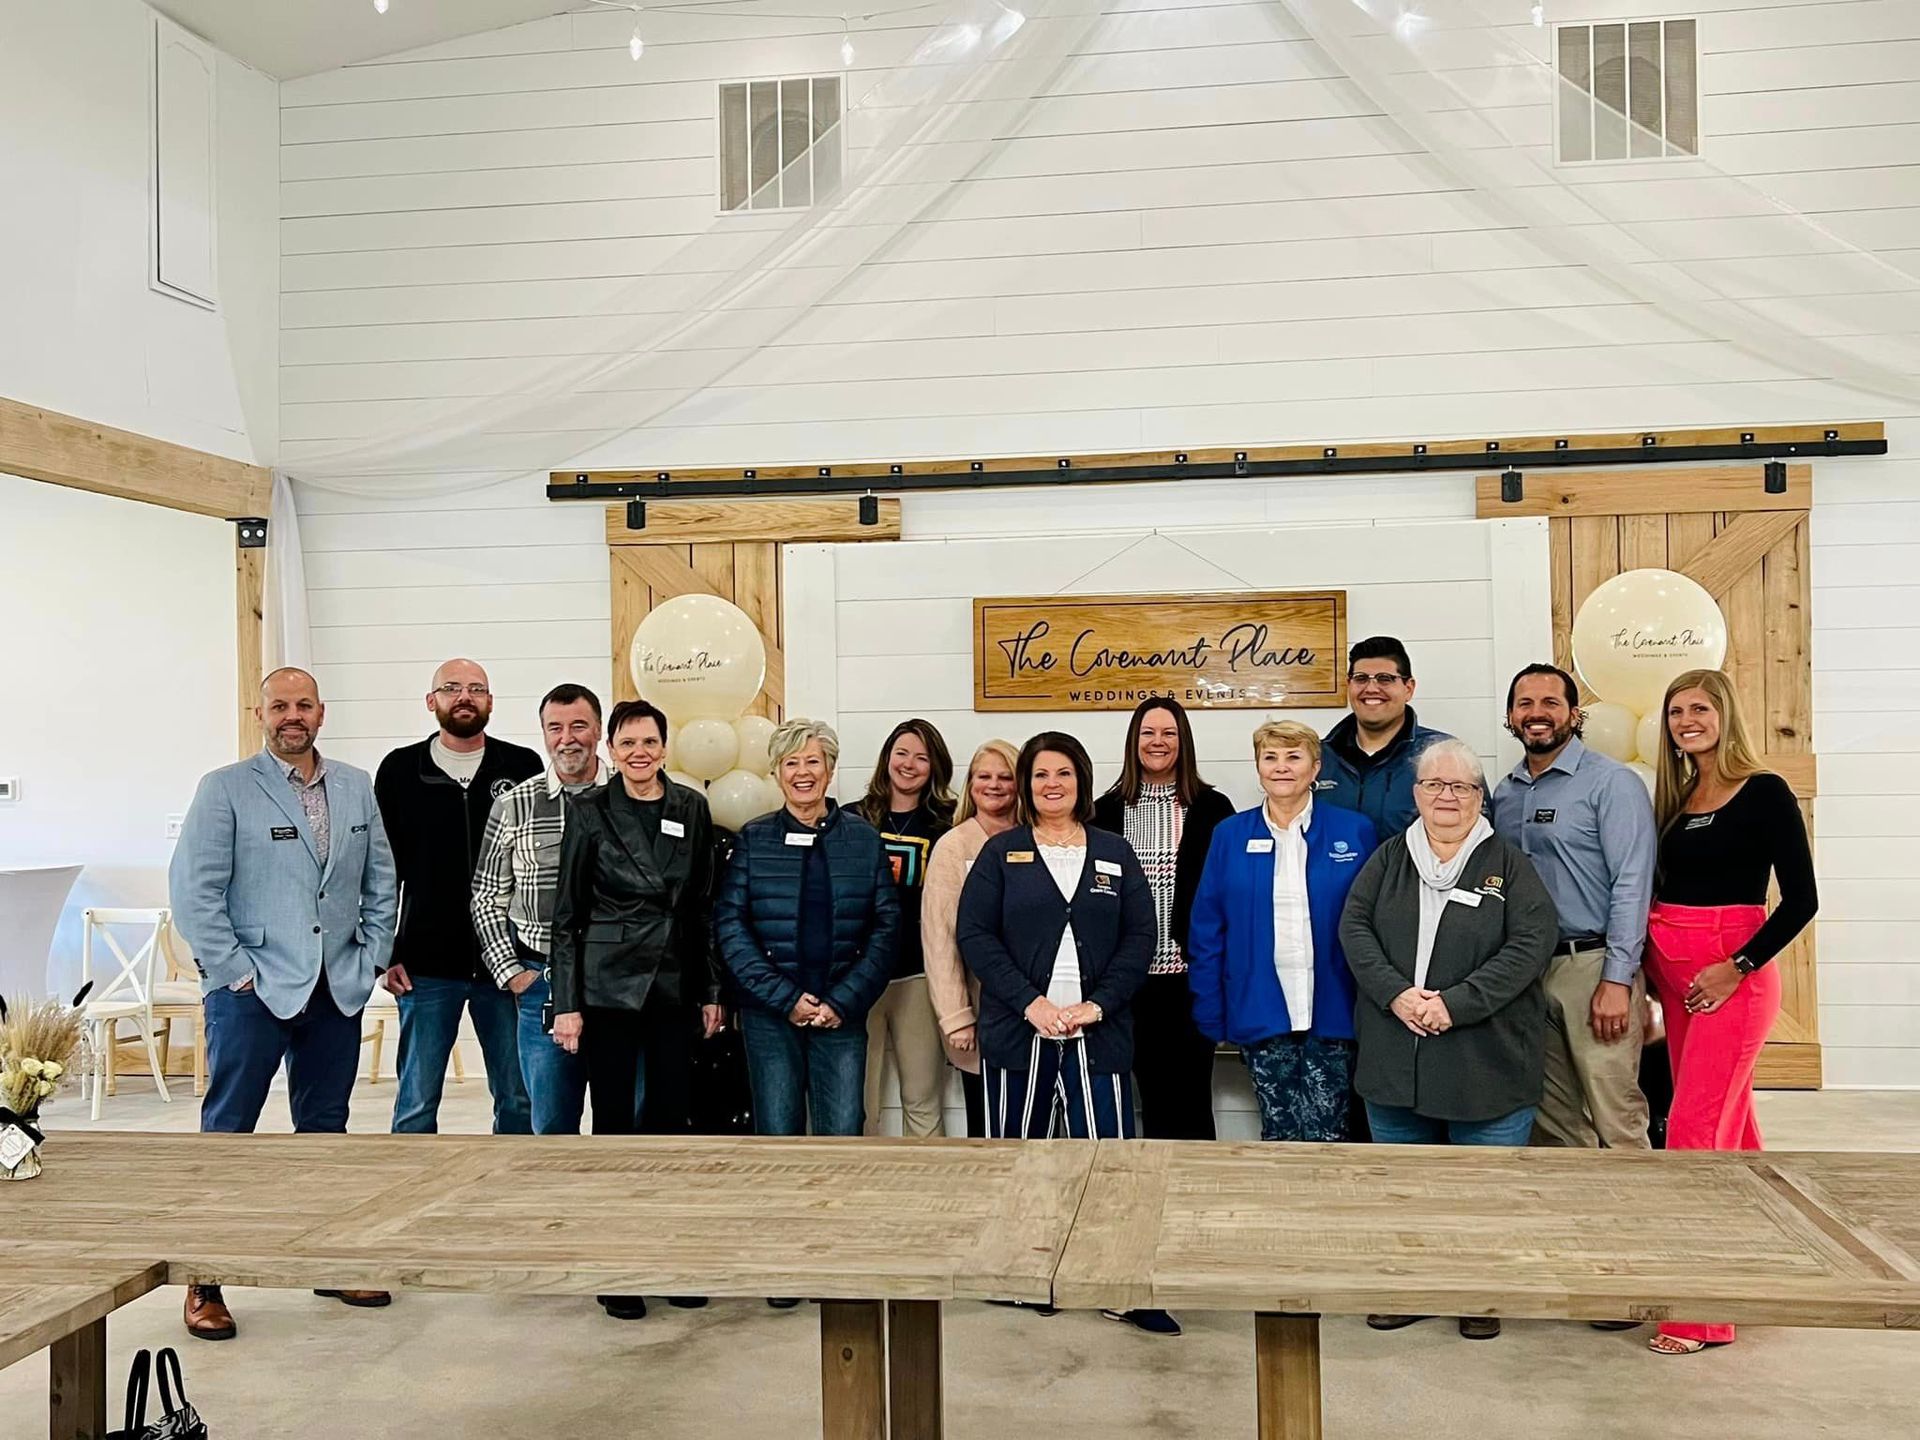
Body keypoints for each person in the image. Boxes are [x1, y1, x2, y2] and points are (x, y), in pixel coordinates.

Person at [169, 666, 399, 1339]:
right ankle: (204, 1280)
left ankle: (328, 1261)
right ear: (260, 714)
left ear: (321, 713)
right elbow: (194, 891)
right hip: (252, 990)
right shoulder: (225, 788)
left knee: (326, 1131)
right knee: (229, 1133)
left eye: (303, 705)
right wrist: (235, 972)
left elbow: (382, 879)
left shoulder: (355, 785)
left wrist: (372, 955)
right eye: (279, 706)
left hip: (336, 987)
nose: (291, 716)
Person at [1339, 738, 1558, 1341]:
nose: (1447, 797)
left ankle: (1479, 1294)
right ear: (1416, 794)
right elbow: (1354, 928)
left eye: (1461, 786)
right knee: (1405, 1191)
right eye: (1435, 784)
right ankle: (1411, 1286)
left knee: (1482, 1194)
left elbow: (1530, 946)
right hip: (1396, 1058)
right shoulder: (1388, 859)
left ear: (1479, 797)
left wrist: (1455, 1005)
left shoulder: (1509, 865)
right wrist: (1396, 994)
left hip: (1484, 1064)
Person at [958, 733, 1164, 1335]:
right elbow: (975, 936)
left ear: (1082, 782)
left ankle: (1117, 1283)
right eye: (1041, 774)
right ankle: (1025, 1278)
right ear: (1026, 785)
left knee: (1109, 1162)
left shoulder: (1114, 851)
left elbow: (1140, 938)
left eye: (1064, 774)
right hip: (1020, 1030)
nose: (1052, 784)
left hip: (1098, 1031)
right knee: (1025, 1161)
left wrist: (1098, 1005)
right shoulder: (1002, 854)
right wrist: (1031, 1003)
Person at [1643, 670, 1817, 1356]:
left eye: (1699, 708)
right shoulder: (1679, 797)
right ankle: (1768, 1273)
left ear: (1725, 714)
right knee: (1733, 1134)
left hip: (1730, 982)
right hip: (1676, 980)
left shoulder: (1764, 791)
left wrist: (1736, 965)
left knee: (1692, 1134)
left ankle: (1699, 1315)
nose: (1686, 720)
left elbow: (1802, 900)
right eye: (1675, 711)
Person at [550, 699, 725, 1321]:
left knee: (673, 1121)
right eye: (627, 743)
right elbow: (566, 916)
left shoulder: (690, 808)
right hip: (609, 988)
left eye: (649, 742)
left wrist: (712, 990)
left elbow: (703, 906)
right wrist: (566, 1004)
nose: (639, 753)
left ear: (665, 746)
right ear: (611, 750)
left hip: (675, 985)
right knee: (615, 1124)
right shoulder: (589, 810)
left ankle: (671, 1258)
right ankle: (617, 1267)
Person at [1490, 663, 1657, 1153]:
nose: (1536, 713)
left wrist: (1617, 979)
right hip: (1526, 969)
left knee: (1615, 1112)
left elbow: (1633, 883)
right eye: (1525, 704)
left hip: (1592, 966)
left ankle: (1643, 1201)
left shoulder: (1613, 783)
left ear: (1574, 715)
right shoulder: (1504, 793)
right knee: (1552, 1119)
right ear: (1510, 716)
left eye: (1550, 703)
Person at [1186, 720, 1377, 1143]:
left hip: (1336, 1010)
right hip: (1259, 1008)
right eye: (1270, 757)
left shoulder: (1354, 830)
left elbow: (1376, 923)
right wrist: (1210, 1011)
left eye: (1293, 757)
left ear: (1315, 767)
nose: (1281, 767)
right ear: (1258, 767)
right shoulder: (1229, 835)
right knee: (1279, 1136)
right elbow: (1207, 931)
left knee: (1330, 1136)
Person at [376, 659, 542, 1136]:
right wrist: (386, 953)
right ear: (432, 701)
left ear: (490, 702)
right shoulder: (400, 770)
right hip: (424, 966)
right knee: (416, 1100)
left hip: (506, 965)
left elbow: (539, 867)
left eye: (476, 688)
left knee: (518, 1098)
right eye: (451, 688)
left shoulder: (522, 766)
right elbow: (382, 871)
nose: (464, 696)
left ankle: (513, 1179)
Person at [714, 718, 898, 1148]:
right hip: (770, 1016)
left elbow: (886, 928)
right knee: (777, 1136)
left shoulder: (864, 839)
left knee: (843, 1135)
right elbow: (731, 926)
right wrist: (785, 999)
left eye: (813, 761)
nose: (803, 773)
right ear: (777, 772)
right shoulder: (754, 839)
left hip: (841, 1014)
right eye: (791, 762)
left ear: (829, 769)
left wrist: (842, 1001)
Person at [1090, 698, 1236, 1142]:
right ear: (1133, 742)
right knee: (1149, 1095)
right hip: (1128, 980)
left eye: (1169, 733)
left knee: (1192, 1095)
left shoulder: (1213, 808)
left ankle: (1198, 1183)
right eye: (1148, 733)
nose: (1158, 742)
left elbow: (1230, 896)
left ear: (1183, 741)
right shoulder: (1104, 812)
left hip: (1193, 977)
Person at [470, 683, 609, 1137]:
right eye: (555, 728)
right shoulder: (515, 804)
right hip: (541, 984)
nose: (567, 739)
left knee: (623, 1125)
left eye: (579, 726)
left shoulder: (628, 799)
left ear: (598, 730)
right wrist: (511, 973)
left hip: (617, 986)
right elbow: (487, 894)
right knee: (549, 1126)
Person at [854, 719, 956, 1137]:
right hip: (858, 977)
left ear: (935, 767)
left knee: (922, 1097)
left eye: (921, 757)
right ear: (887, 758)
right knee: (856, 1102)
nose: (909, 764)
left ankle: (928, 1177)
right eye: (902, 753)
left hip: (918, 975)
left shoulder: (946, 825)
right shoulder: (852, 819)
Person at [922, 739, 1021, 1139]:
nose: (994, 785)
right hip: (979, 1018)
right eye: (984, 776)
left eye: (1005, 776)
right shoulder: (953, 846)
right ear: (970, 784)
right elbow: (939, 939)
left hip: (1036, 1016)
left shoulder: (1035, 838)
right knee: (988, 1132)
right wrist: (957, 1017)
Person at [1317, 636, 1451, 838]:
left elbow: (1475, 837)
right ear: (1348, 685)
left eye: (1385, 679)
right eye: (1361, 678)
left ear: (1408, 688)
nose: (1371, 688)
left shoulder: (1445, 755)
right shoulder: (1317, 758)